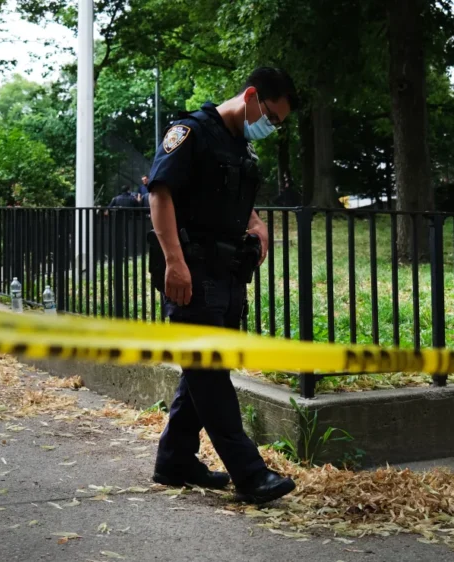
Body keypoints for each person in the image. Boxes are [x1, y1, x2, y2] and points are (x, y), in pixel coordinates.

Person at [145, 67, 299, 504]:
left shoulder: (239, 145)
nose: (271, 126)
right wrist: (174, 262)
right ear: (251, 97)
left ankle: (175, 460)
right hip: (191, 274)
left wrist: (257, 223)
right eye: (271, 116)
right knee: (210, 375)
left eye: (278, 122)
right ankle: (250, 474)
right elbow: (160, 193)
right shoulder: (190, 132)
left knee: (205, 373)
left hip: (227, 274)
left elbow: (232, 200)